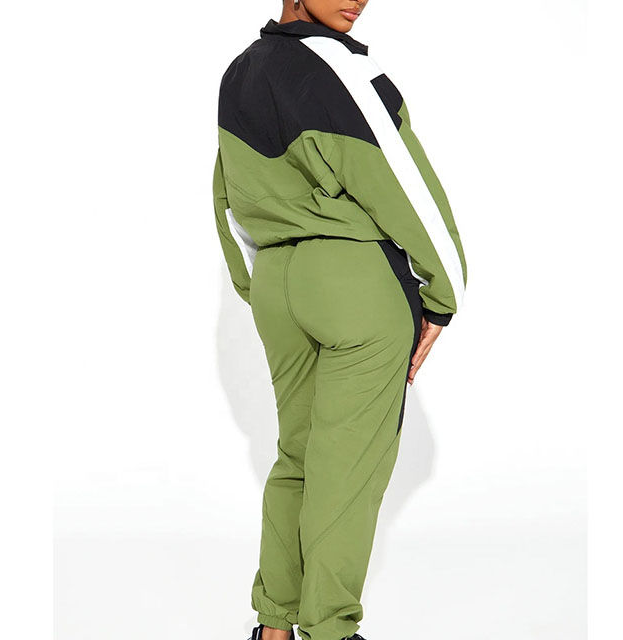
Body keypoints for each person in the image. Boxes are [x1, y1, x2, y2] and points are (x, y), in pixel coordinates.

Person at [212, 2, 468, 639]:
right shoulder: (341, 67)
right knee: (346, 474)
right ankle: (329, 631)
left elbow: (227, 193)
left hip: (278, 282)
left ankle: (274, 627)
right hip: (354, 280)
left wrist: (258, 284)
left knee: (296, 458)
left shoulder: (240, 72)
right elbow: (402, 181)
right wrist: (445, 291)